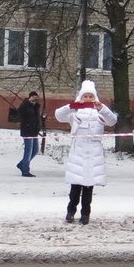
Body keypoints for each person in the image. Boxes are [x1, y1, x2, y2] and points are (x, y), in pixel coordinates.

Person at [54, 80, 118, 224]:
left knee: (88, 188)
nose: (88, 99)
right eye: (85, 96)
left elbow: (112, 120)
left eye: (91, 96)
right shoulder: (74, 112)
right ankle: (71, 211)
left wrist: (102, 108)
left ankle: (85, 214)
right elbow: (59, 116)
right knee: (75, 187)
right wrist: (71, 106)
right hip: (78, 153)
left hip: (93, 154)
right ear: (80, 97)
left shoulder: (99, 113)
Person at [17, 90, 42, 176]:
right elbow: (20, 112)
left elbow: (36, 119)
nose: (35, 99)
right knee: (28, 151)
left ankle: (22, 164)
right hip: (27, 131)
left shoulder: (36, 107)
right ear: (29, 97)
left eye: (36, 97)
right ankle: (25, 171)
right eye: (33, 97)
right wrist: (28, 102)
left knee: (35, 150)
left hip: (34, 131)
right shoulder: (25, 105)